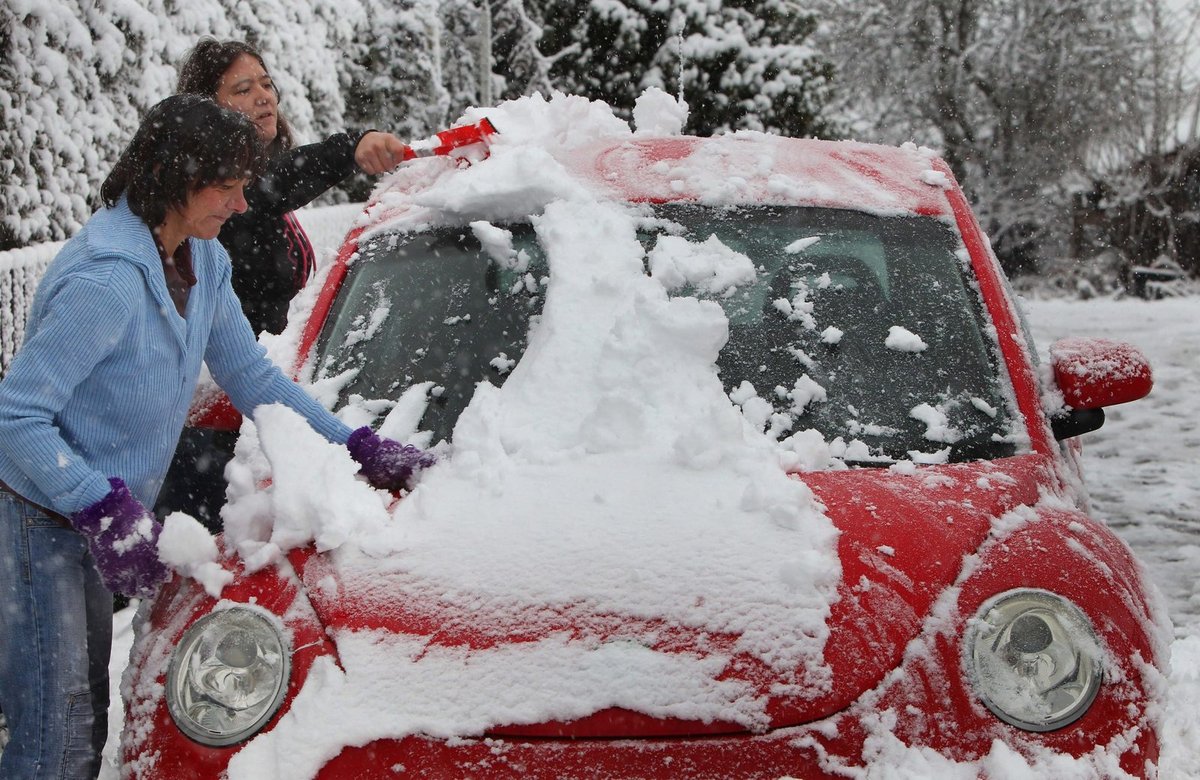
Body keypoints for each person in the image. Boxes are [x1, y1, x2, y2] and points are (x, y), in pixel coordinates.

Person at [0, 95, 432, 778]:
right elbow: (15, 416)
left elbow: (252, 376)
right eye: (226, 187)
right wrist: (97, 505)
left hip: (85, 518)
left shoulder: (202, 260)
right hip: (39, 521)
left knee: (81, 726)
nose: (240, 205)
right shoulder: (105, 278)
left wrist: (351, 444)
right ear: (174, 180)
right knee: (56, 732)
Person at [159, 37, 411, 526]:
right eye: (243, 88)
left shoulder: (238, 197)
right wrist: (351, 148)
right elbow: (274, 185)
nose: (264, 97)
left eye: (267, 84)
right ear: (206, 111)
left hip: (255, 403)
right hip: (213, 430)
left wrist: (354, 441)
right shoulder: (216, 203)